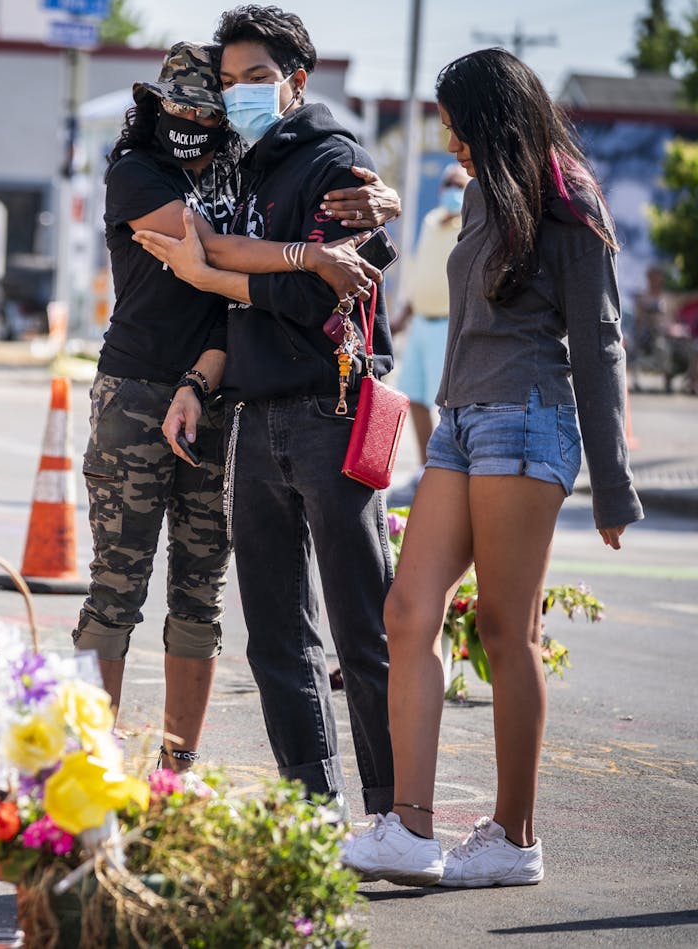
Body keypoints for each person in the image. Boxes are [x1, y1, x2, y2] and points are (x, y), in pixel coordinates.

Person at [341, 48, 642, 887]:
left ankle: (515, 839)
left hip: (529, 419)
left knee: (510, 632)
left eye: (455, 121)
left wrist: (611, 483)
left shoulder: (568, 196)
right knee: (409, 609)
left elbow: (599, 342)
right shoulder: (479, 196)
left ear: (492, 117)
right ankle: (410, 829)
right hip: (462, 424)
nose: (448, 138)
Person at [78, 40, 399, 772]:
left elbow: (332, 215)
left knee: (199, 596)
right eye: (177, 105)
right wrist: (306, 257)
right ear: (153, 107)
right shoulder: (135, 172)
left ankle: (174, 772)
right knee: (116, 591)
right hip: (135, 393)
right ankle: (81, 771)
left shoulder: (240, 167)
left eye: (206, 105)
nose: (191, 116)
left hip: (218, 395)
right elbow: (211, 251)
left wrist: (390, 197)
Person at [392, 164, 469, 491]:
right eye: (448, 184)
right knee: (416, 398)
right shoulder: (431, 221)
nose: (452, 190)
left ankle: (449, 474)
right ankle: (427, 469)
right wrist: (400, 320)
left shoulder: (471, 224)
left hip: (450, 326)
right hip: (421, 323)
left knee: (445, 403)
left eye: (459, 185)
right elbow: (418, 273)